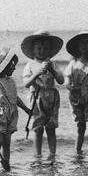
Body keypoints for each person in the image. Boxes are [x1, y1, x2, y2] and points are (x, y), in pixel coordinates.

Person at [0, 47, 30, 170]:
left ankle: (6, 165)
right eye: (12, 65)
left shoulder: (11, 81)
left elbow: (15, 98)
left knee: (7, 142)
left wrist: (25, 109)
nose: (14, 67)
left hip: (10, 115)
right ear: (5, 66)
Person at [21, 31, 64, 161]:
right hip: (37, 99)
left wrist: (52, 70)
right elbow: (26, 84)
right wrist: (36, 74)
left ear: (50, 50)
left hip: (51, 98)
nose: (42, 50)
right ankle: (37, 155)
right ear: (33, 50)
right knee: (38, 128)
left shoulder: (53, 64)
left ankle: (52, 154)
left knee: (51, 128)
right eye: (38, 48)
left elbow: (61, 80)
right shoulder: (30, 65)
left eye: (45, 48)